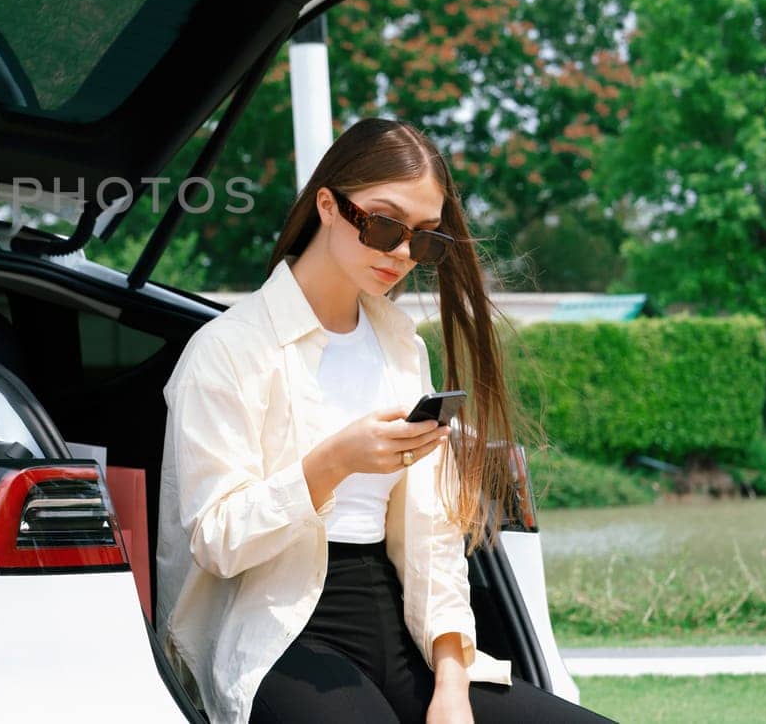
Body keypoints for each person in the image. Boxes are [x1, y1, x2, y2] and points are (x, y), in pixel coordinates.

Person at [154, 118, 614, 724]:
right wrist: (333, 462)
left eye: (424, 237)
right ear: (327, 205)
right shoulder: (229, 350)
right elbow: (216, 541)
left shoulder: (402, 347)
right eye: (385, 223)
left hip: (403, 632)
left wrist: (451, 682)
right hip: (282, 636)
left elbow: (435, 532)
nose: (401, 252)